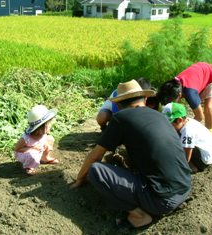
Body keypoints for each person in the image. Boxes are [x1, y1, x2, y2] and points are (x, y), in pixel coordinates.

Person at [71, 80, 191, 229]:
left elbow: (95, 155)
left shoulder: (120, 118)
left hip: (161, 200)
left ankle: (139, 215)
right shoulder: (159, 116)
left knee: (96, 170)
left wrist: (80, 178)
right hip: (185, 187)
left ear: (119, 105)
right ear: (145, 99)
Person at [157, 62, 212, 133]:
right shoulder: (172, 86)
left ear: (179, 95)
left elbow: (200, 117)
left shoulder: (190, 93)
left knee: (208, 107)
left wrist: (183, 128)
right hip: (199, 74)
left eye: (173, 101)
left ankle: (210, 132)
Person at [162, 102, 212, 173]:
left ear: (180, 120)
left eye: (170, 123)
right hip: (205, 153)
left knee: (178, 141)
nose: (167, 126)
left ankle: (192, 167)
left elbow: (187, 151)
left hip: (203, 160)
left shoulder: (188, 131)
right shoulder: (186, 122)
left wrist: (181, 167)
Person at [14, 105, 59, 175]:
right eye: (49, 124)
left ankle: (44, 158)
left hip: (38, 150)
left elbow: (43, 141)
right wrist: (32, 148)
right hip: (25, 153)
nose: (51, 125)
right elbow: (17, 149)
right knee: (32, 155)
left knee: (50, 139)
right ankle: (29, 167)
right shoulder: (26, 138)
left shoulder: (43, 133)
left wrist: (46, 145)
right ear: (42, 127)